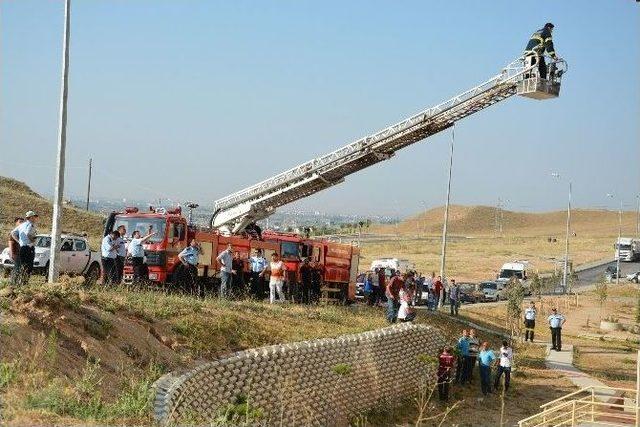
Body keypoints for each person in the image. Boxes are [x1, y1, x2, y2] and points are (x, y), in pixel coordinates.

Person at [10, 211, 38, 286]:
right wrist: (33, 239)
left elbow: (12, 233)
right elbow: (28, 233)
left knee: (21, 265)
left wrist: (19, 241)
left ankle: (17, 283)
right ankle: (24, 284)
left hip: (23, 248)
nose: (36, 218)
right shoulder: (31, 224)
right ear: (31, 217)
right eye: (35, 217)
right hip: (29, 247)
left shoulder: (22, 225)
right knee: (28, 266)